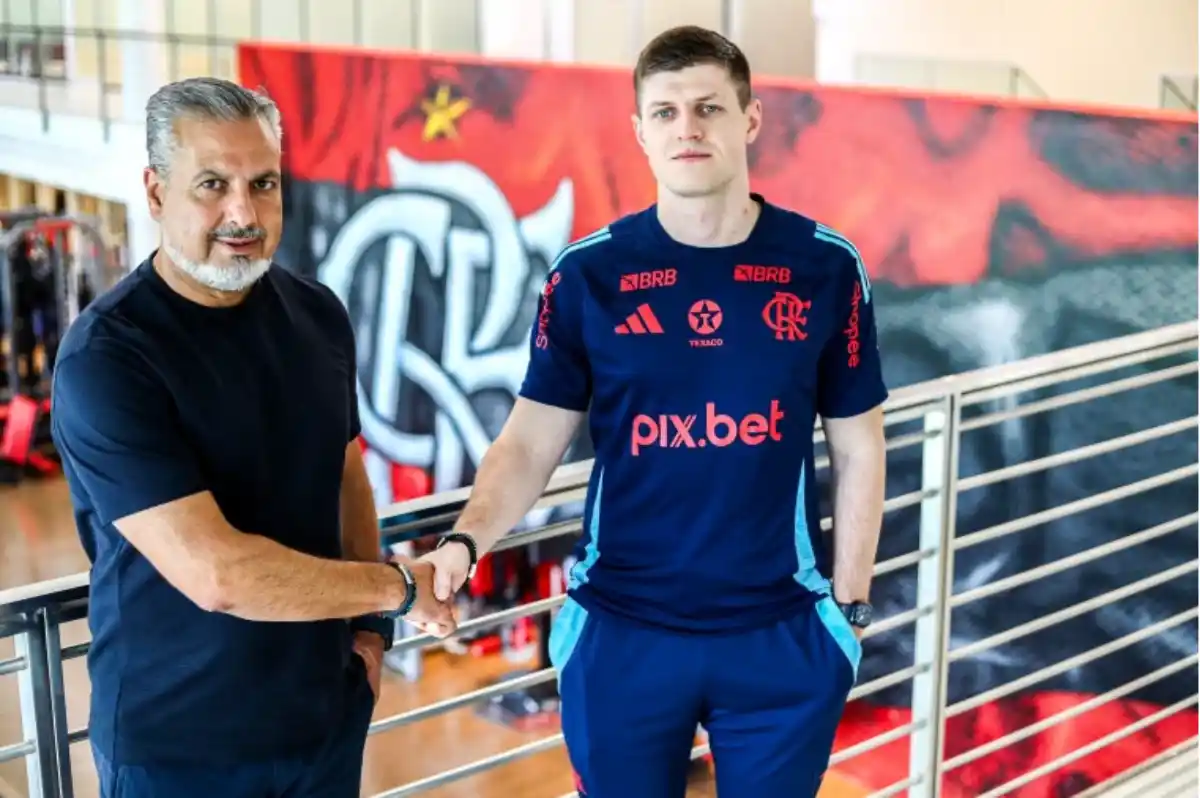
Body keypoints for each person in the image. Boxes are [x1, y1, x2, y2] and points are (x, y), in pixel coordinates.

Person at [422, 25, 889, 798]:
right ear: (640, 132)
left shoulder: (824, 267)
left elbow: (860, 448)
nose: (688, 128)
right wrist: (465, 542)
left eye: (708, 107)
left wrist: (850, 612)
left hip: (783, 630)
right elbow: (530, 442)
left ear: (750, 119)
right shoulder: (588, 276)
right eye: (666, 113)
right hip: (622, 628)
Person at [50, 77, 455, 798]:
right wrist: (394, 590)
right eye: (212, 184)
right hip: (179, 748)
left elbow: (345, 472)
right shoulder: (108, 357)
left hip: (321, 721)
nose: (243, 212)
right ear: (154, 193)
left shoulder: (318, 314)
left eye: (263, 183)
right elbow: (218, 574)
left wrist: (369, 633)